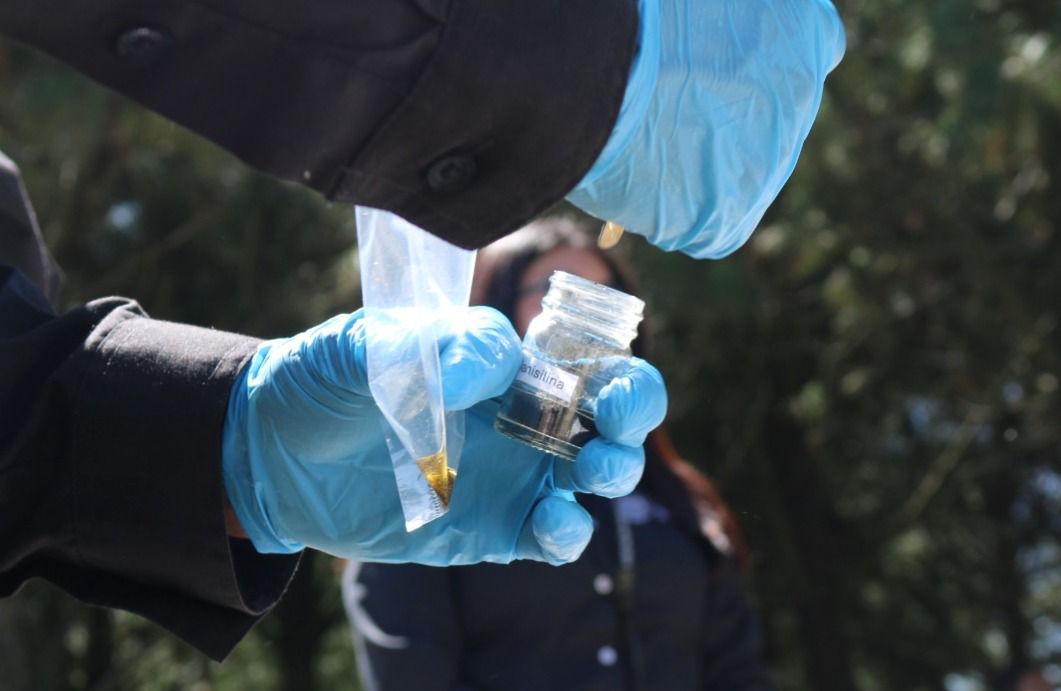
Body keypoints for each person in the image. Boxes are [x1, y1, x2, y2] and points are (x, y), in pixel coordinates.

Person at [0, 0, 844, 661]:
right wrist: (575, 56)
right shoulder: (427, 478)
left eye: (606, 300)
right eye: (554, 294)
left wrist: (222, 444)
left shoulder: (663, 498)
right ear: (495, 299)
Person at [345, 218, 775, 691]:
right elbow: (409, 674)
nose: (589, 317)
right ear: (498, 316)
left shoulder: (680, 497)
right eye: (557, 293)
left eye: (607, 294)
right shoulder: (433, 491)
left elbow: (737, 669)